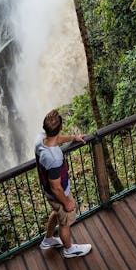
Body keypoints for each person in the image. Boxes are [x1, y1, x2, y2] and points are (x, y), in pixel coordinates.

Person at [35, 109, 92, 258]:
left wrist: (74, 138)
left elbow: (56, 139)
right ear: (60, 128)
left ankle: (48, 240)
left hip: (47, 191)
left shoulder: (40, 139)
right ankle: (69, 249)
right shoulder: (54, 158)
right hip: (59, 194)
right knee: (65, 222)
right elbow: (56, 187)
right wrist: (66, 203)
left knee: (57, 213)